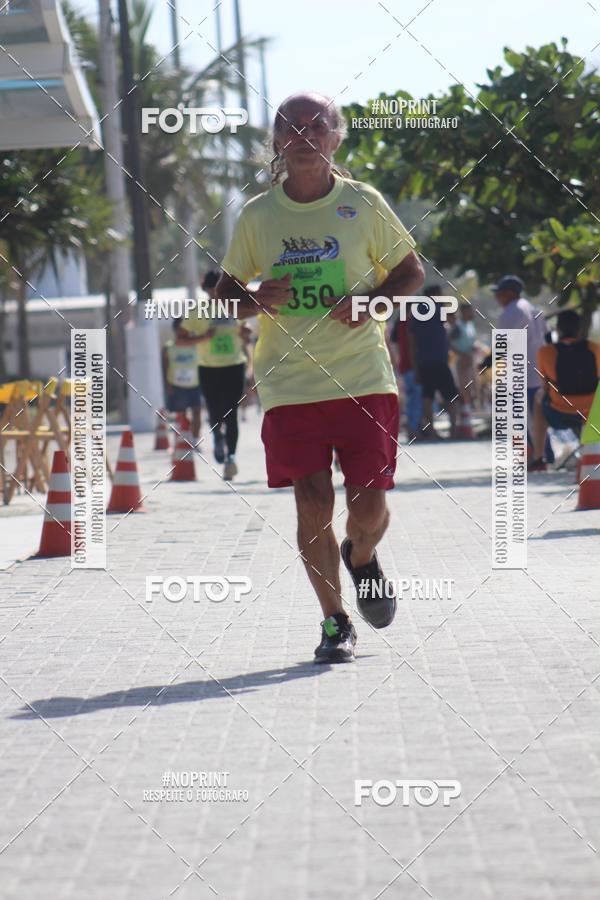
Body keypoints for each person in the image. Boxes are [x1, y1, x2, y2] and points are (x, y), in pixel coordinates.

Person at [215, 91, 424, 663]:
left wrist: (372, 305)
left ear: (335, 137)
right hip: (290, 382)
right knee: (311, 501)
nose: (304, 136)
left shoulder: (364, 202)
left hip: (363, 377)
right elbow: (225, 295)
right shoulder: (259, 214)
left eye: (317, 126)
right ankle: (335, 622)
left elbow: (410, 272)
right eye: (292, 127)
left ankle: (362, 557)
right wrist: (256, 296)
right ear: (277, 141)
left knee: (368, 509)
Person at [180, 271, 248, 481]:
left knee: (232, 412)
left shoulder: (235, 307)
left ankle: (231, 458)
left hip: (234, 365)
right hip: (208, 368)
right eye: (213, 288)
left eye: (220, 287)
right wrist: (203, 337)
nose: (217, 292)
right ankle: (218, 438)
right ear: (206, 289)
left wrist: (243, 334)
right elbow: (181, 340)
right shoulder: (198, 311)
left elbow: (247, 335)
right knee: (214, 409)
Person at [530, 309, 600, 470]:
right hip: (591, 412)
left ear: (558, 330)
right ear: (579, 329)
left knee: (539, 398)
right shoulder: (595, 348)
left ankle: (539, 457)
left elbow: (545, 386)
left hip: (559, 411)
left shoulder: (545, 352)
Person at [492, 275, 550, 464]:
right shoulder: (532, 308)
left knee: (521, 417)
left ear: (508, 294)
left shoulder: (511, 311)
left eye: (499, 294)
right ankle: (545, 454)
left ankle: (533, 455)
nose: (497, 298)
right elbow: (547, 336)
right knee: (539, 416)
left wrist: (489, 361)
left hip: (520, 373)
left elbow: (504, 345)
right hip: (537, 370)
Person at [408, 286, 459, 439]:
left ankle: (431, 431)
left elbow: (412, 341)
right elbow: (453, 320)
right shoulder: (437, 307)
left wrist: (415, 366)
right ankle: (453, 430)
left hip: (424, 361)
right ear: (436, 294)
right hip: (439, 360)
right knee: (451, 396)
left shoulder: (417, 312)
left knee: (427, 397)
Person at [162, 317, 204, 442]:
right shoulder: (168, 347)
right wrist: (167, 385)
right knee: (181, 415)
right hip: (177, 385)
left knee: (197, 412)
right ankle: (183, 439)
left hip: (195, 385)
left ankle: (195, 440)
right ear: (175, 330)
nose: (184, 331)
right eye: (181, 328)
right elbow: (165, 367)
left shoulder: (197, 346)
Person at [388, 309, 423, 440]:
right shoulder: (410, 323)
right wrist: (416, 368)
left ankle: (411, 430)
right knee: (416, 399)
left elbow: (395, 345)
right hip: (411, 367)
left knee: (409, 399)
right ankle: (414, 431)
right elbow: (412, 348)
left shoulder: (399, 323)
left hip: (403, 366)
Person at [449, 302, 477, 408]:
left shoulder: (470, 325)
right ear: (463, 312)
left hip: (470, 359)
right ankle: (465, 411)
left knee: (473, 388)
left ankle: (469, 411)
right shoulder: (458, 326)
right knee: (464, 387)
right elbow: (449, 343)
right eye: (469, 310)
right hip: (462, 360)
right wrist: (462, 354)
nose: (472, 313)